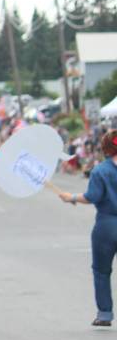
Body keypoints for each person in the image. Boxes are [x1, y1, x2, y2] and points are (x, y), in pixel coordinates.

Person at [59, 129, 117, 327]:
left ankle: (105, 314)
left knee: (101, 271)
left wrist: (71, 197)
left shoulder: (100, 170)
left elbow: (91, 197)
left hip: (107, 224)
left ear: (106, 148)